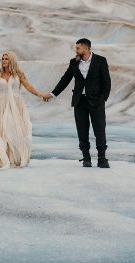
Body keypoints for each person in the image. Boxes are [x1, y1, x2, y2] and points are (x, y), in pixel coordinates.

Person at [43, 38, 111, 168]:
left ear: (86, 48)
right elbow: (65, 79)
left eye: (78, 48)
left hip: (96, 102)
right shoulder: (74, 62)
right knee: (82, 130)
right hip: (79, 101)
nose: (76, 50)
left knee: (99, 130)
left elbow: (106, 82)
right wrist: (52, 94)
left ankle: (102, 158)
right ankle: (86, 158)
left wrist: (102, 99)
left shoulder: (100, 61)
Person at [0, 51, 47, 169]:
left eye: (6, 59)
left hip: (16, 105)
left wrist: (40, 95)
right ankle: (6, 159)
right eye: (2, 59)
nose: (4, 61)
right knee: (4, 131)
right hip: (2, 105)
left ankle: (17, 159)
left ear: (11, 60)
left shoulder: (18, 74)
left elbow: (28, 86)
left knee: (16, 130)